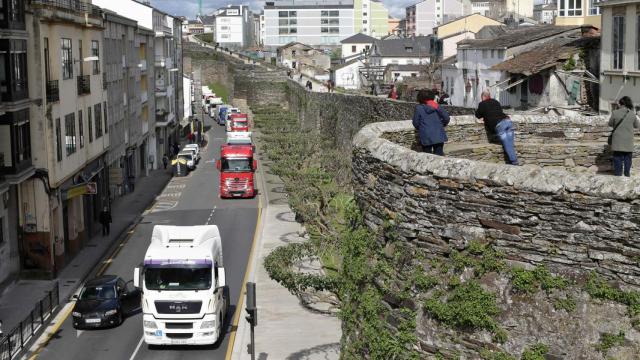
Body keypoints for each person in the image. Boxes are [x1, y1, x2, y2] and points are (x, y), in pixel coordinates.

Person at [475, 90, 519, 165]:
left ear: (483, 97)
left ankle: (514, 162)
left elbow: (478, 115)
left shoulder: (482, 104)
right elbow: (497, 112)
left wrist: (481, 114)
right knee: (509, 144)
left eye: (481, 97)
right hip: (507, 122)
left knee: (507, 144)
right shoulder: (496, 102)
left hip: (499, 125)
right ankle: (511, 162)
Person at [608, 96, 640, 177]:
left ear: (621, 104)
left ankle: (618, 174)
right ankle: (627, 174)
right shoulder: (632, 114)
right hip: (628, 140)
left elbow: (610, 124)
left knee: (617, 157)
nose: (618, 104)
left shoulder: (615, 112)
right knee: (627, 158)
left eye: (619, 103)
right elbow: (636, 125)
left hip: (617, 139)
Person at [412, 89, 450, 155]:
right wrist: (442, 124)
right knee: (439, 156)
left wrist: (421, 128)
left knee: (427, 157)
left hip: (425, 135)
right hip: (438, 133)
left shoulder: (419, 108)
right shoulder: (437, 106)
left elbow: (415, 122)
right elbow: (446, 118)